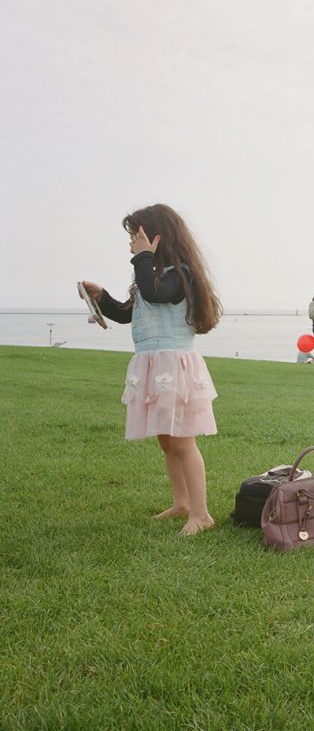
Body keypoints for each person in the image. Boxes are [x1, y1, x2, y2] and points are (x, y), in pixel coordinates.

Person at [80, 204, 223, 535]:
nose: (131, 244)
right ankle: (181, 502)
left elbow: (155, 294)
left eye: (136, 236)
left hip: (174, 368)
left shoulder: (180, 274)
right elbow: (126, 312)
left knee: (184, 443)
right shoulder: (154, 277)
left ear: (156, 237)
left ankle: (201, 514)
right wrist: (101, 297)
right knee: (167, 441)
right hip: (155, 366)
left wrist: (142, 257)